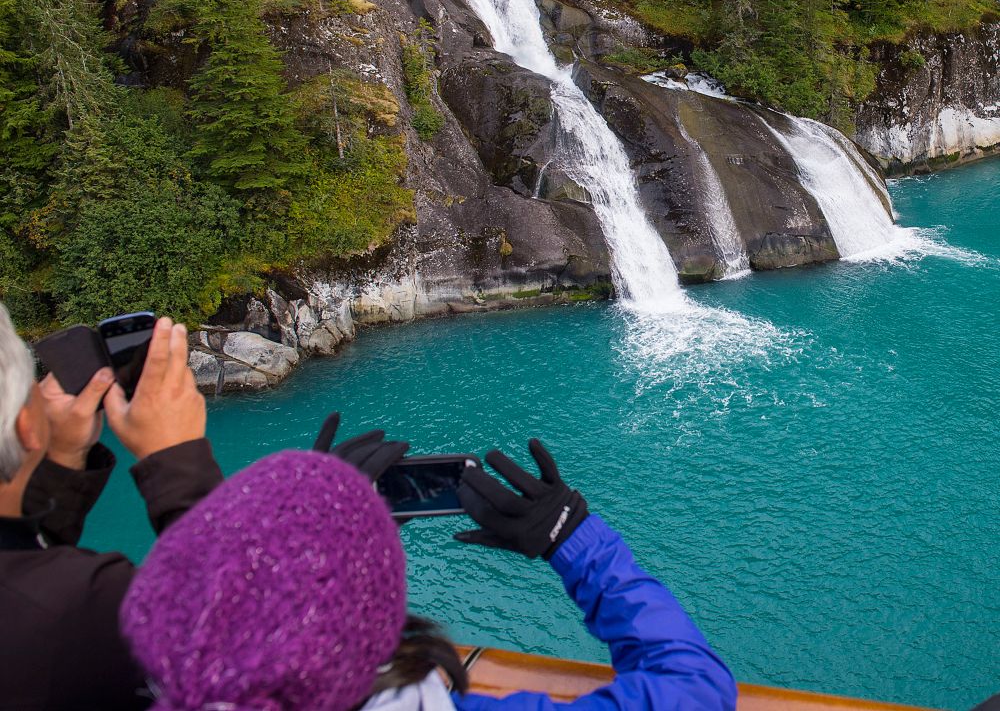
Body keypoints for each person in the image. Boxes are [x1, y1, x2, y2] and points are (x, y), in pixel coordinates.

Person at [121, 430, 736, 711]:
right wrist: (576, 542)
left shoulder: (152, 676)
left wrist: (293, 524)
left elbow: (206, 608)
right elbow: (697, 690)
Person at [0, 303, 224, 711]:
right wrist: (175, 458)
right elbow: (244, 630)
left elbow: (18, 564)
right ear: (26, 427)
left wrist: (61, 461)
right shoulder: (86, 609)